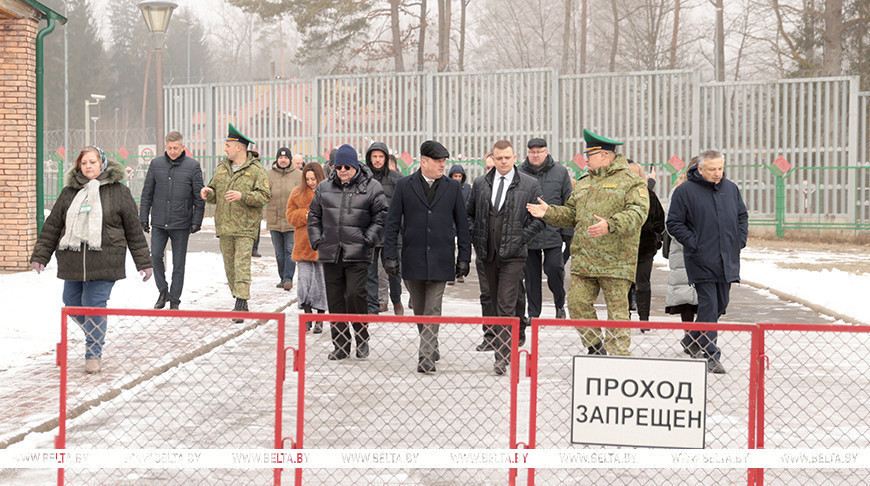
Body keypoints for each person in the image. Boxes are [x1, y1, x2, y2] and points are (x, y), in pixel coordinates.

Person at [30, 146, 153, 374]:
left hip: (106, 258)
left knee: (94, 305)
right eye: (84, 163)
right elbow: (54, 226)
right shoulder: (69, 192)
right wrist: (40, 255)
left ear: (103, 164)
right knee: (72, 304)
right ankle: (96, 332)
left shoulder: (119, 192)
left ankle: (93, 352)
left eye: (92, 162)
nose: (88, 167)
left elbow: (134, 230)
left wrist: (143, 262)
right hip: (73, 260)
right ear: (79, 166)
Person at [527, 129, 649, 357]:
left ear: (604, 155)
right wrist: (549, 212)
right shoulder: (584, 182)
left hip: (616, 262)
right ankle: (596, 348)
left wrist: (611, 224)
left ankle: (618, 359)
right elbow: (572, 214)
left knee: (617, 312)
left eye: (589, 155)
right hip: (585, 261)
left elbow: (639, 212)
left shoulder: (630, 181)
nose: (585, 160)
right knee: (577, 303)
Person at [384, 140, 472, 374]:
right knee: (420, 310)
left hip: (441, 258)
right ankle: (431, 343)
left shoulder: (452, 188)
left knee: (433, 308)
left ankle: (425, 357)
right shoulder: (404, 186)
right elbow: (392, 224)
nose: (443, 165)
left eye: (444, 161)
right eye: (438, 161)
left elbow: (462, 224)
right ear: (423, 162)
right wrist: (389, 256)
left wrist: (464, 256)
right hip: (412, 259)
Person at [666, 150, 748, 374]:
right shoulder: (685, 192)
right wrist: (694, 243)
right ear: (700, 169)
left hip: (727, 259)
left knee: (720, 306)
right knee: (709, 306)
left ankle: (692, 339)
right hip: (701, 259)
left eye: (720, 168)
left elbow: (742, 215)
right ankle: (711, 354)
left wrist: (739, 240)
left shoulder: (730, 189)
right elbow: (673, 223)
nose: (717, 173)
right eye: (712, 169)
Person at [467, 140, 544, 375]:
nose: (503, 162)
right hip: (487, 254)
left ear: (514, 157)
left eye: (507, 158)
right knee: (491, 300)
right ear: (493, 158)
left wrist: (520, 238)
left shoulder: (529, 184)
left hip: (513, 256)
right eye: (499, 158)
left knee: (505, 303)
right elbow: (469, 215)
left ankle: (502, 357)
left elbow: (539, 219)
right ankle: (507, 338)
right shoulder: (480, 184)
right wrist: (476, 237)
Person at [308, 144, 389, 360]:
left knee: (354, 295)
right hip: (331, 252)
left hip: (358, 253)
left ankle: (362, 337)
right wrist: (317, 240)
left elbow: (381, 214)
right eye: (339, 166)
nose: (343, 170)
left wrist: (368, 239)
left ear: (355, 166)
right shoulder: (324, 187)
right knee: (335, 301)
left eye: (347, 166)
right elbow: (314, 216)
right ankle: (341, 345)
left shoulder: (371, 187)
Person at [201, 124, 271, 322]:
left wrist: (243, 195)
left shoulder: (257, 170)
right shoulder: (222, 168)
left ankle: (241, 302)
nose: (225, 149)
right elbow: (214, 191)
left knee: (241, 264)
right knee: (229, 267)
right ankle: (238, 295)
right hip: (224, 226)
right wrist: (208, 193)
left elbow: (265, 196)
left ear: (239, 147)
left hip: (245, 227)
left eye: (228, 145)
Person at [139, 131, 204, 310]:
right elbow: (147, 193)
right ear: (165, 147)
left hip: (181, 222)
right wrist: (143, 217)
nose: (173, 151)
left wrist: (196, 220)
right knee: (156, 256)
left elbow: (199, 197)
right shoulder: (156, 164)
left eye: (176, 148)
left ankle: (175, 299)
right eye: (169, 148)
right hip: (159, 221)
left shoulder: (193, 166)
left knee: (179, 263)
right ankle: (163, 291)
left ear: (183, 147)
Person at [518, 137, 573, 320]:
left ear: (546, 152)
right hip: (529, 233)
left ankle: (559, 303)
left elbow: (568, 202)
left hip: (553, 231)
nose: (536, 155)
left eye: (539, 152)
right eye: (532, 152)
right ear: (528, 153)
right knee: (531, 277)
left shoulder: (560, 172)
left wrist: (567, 233)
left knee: (554, 269)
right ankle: (534, 314)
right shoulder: (519, 173)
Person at [286, 162, 329, 333]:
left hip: (322, 244)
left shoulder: (328, 192)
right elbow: (289, 215)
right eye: (307, 178)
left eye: (314, 178)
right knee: (304, 282)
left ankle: (319, 318)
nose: (311, 182)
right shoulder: (297, 192)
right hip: (303, 244)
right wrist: (304, 215)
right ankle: (307, 314)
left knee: (320, 282)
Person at [663, 157, 700, 352]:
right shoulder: (679, 190)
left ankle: (695, 337)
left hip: (702, 251)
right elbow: (672, 222)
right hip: (683, 251)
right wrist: (691, 240)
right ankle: (689, 337)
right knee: (686, 297)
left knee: (704, 298)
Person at [364, 142, 404, 316]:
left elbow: (403, 206)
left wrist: (401, 229)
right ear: (369, 158)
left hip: (391, 233)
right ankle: (373, 306)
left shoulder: (397, 178)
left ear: (386, 158)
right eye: (374, 156)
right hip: (371, 232)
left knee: (393, 270)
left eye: (381, 156)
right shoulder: (364, 178)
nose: (378, 160)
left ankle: (396, 301)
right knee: (370, 272)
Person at [626, 161, 664, 322]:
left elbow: (659, 221)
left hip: (644, 248)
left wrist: (655, 241)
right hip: (623, 247)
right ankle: (624, 315)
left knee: (642, 282)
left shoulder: (649, 195)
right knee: (624, 283)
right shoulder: (619, 195)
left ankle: (644, 317)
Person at [266, 147, 302, 291]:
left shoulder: (298, 175)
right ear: (277, 159)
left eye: (286, 158)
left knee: (290, 250)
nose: (283, 160)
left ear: (290, 159)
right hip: (274, 218)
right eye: (280, 158)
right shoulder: (269, 175)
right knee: (279, 252)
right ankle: (282, 278)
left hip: (291, 219)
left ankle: (288, 278)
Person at [447, 163, 472, 284]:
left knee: (463, 247)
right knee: (449, 248)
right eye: (455, 176)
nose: (457, 178)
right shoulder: (447, 187)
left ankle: (460, 272)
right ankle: (450, 273)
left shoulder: (467, 188)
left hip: (462, 221)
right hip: (449, 220)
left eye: (459, 176)